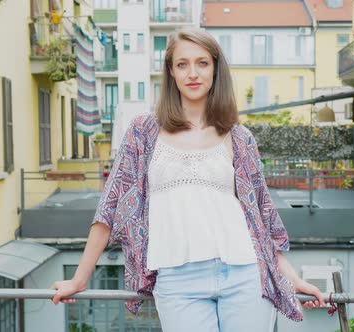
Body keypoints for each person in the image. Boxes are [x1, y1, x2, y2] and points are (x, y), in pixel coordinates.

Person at [51, 27, 325, 331]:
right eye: (182, 64)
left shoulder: (239, 137)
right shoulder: (143, 132)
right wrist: (79, 279)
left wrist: (296, 280)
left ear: (216, 69)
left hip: (245, 274)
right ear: (171, 71)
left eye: (202, 63)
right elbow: (109, 208)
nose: (192, 73)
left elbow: (261, 221)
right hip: (177, 281)